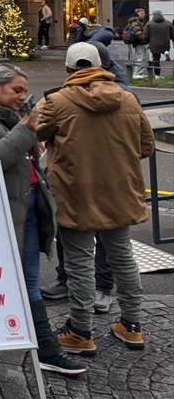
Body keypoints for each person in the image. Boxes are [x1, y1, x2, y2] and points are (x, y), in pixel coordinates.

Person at [0, 64, 87, 376]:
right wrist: (25, 129)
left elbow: (26, 155)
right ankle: (44, 348)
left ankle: (44, 348)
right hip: (0, 214)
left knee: (28, 281)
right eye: (16, 90)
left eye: (24, 90)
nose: (22, 96)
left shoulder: (9, 116)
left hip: (26, 207)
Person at [37, 43, 155, 355]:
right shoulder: (128, 98)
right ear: (102, 66)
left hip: (75, 190)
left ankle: (80, 331)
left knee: (79, 262)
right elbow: (146, 147)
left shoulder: (58, 101)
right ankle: (131, 325)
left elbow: (36, 133)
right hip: (120, 190)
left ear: (67, 69)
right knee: (122, 256)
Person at [143, 10, 173, 78]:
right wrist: (170, 38)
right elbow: (172, 34)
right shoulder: (168, 23)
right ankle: (165, 52)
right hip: (165, 42)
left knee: (156, 59)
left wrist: (147, 42)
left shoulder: (149, 24)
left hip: (154, 44)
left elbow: (145, 35)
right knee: (164, 49)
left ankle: (157, 75)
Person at [125, 9, 148, 80]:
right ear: (137, 14)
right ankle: (136, 73)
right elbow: (139, 33)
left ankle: (139, 73)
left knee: (142, 57)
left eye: (144, 13)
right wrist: (145, 42)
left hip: (139, 42)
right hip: (139, 42)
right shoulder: (135, 22)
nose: (144, 14)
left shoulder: (138, 21)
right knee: (140, 57)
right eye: (142, 13)